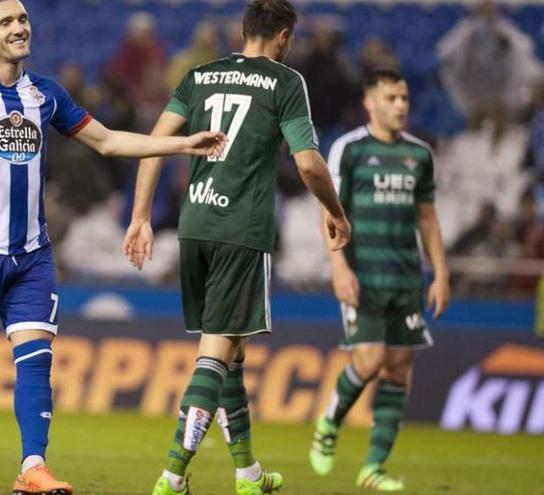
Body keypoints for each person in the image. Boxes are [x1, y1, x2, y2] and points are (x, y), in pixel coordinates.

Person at [0, 1, 226, 494]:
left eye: (23, 20)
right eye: (6, 22)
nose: (19, 28)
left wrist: (181, 145)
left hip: (33, 252)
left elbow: (106, 141)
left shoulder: (46, 93)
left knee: (37, 358)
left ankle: (32, 467)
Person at [122, 1, 351, 494]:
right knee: (214, 354)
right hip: (239, 230)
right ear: (284, 36)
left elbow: (152, 144)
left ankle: (247, 474)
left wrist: (140, 218)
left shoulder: (199, 76)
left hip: (195, 223)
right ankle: (171, 475)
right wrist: (334, 209)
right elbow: (309, 164)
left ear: (243, 31)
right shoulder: (286, 82)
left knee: (230, 351)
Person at [308, 70, 450, 491]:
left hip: (406, 278)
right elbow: (329, 209)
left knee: (398, 368)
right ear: (371, 102)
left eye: (404, 97)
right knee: (369, 361)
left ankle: (373, 468)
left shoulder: (420, 155)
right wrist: (339, 266)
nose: (401, 105)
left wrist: (440, 273)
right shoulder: (349, 149)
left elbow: (427, 217)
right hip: (362, 275)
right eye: (392, 98)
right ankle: (330, 421)